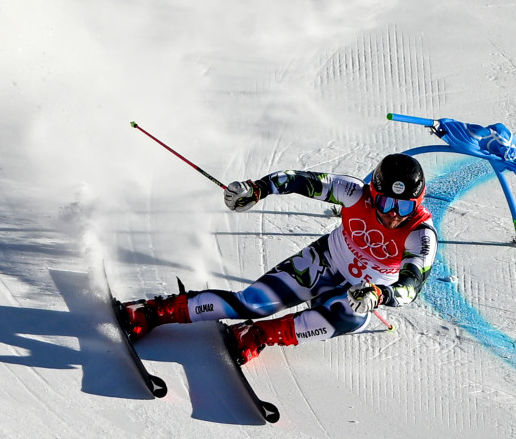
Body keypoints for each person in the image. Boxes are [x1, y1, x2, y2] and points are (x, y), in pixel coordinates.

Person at [118, 153, 438, 364]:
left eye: (405, 207)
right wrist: (257, 189)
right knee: (252, 303)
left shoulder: (420, 235)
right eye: (385, 203)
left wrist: (380, 294)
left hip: (361, 292)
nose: (394, 215)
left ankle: (257, 335)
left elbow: (411, 286)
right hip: (322, 263)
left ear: (418, 203)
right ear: (373, 192)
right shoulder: (354, 193)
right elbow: (297, 180)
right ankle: (153, 311)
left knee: (351, 316)